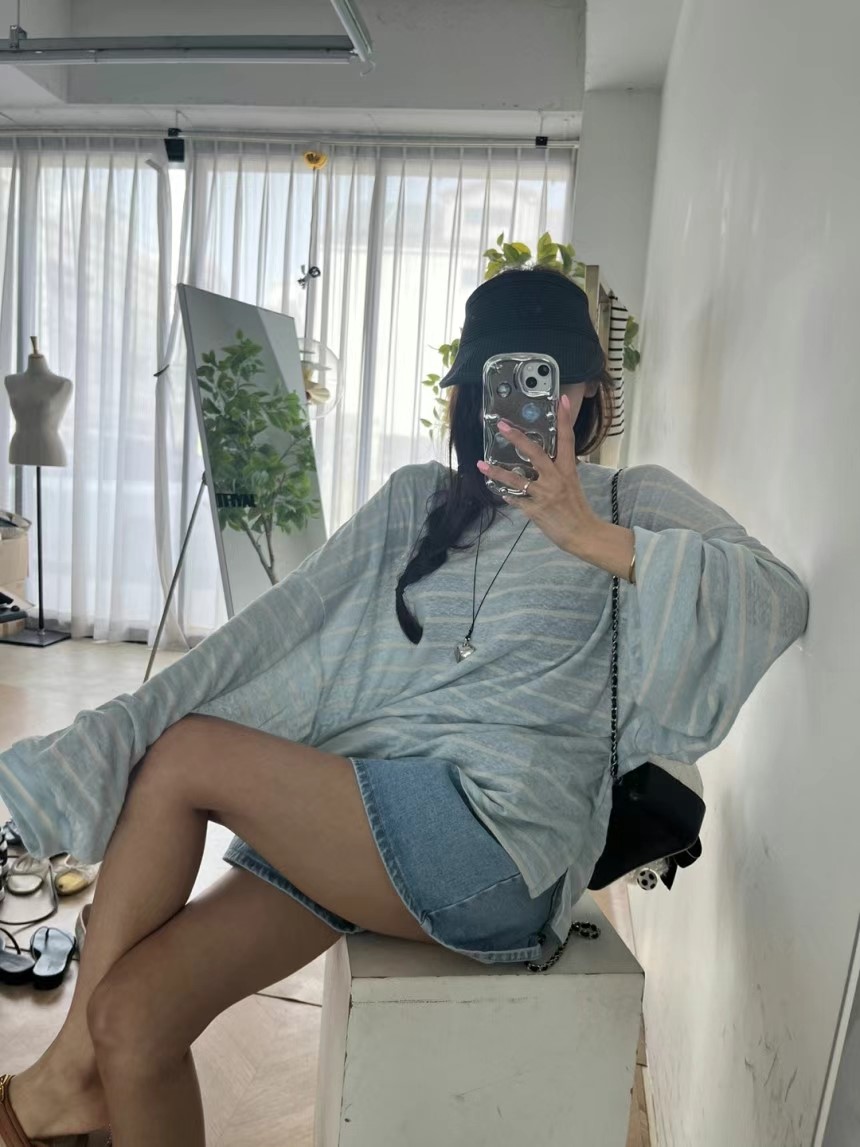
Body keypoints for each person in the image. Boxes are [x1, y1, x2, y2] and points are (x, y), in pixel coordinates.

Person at [0, 266, 809, 1147]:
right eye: (498, 383)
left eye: (547, 381)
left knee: (188, 755)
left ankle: (53, 1088)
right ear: (471, 398)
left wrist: (585, 533)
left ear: (583, 392)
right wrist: (118, 727)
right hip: (367, 808)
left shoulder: (629, 498)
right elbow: (280, 625)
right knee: (132, 1020)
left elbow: (775, 597)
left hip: (503, 845)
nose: (526, 407)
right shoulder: (418, 502)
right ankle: (77, 1076)